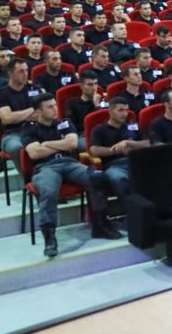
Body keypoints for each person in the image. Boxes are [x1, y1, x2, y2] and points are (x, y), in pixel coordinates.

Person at [21, 93, 121, 257]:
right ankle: (50, 237)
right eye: (50, 107)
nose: (55, 109)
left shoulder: (64, 123)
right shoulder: (29, 128)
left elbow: (73, 144)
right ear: (38, 111)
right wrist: (60, 145)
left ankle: (100, 225)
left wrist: (46, 144)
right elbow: (34, 153)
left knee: (97, 178)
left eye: (55, 105)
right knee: (48, 191)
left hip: (70, 164)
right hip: (46, 167)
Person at [88, 96, 149, 200]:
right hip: (114, 165)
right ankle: (131, 210)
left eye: (126, 110)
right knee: (118, 178)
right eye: (120, 110)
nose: (124, 114)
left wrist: (128, 142)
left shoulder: (133, 125)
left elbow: (148, 143)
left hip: (136, 161)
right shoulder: (99, 129)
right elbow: (94, 150)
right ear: (110, 111)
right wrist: (118, 150)